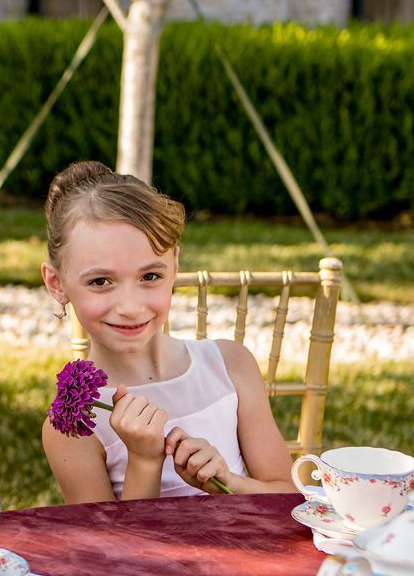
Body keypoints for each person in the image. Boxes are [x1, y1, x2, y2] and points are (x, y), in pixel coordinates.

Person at [40, 161, 297, 502]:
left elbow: (289, 497)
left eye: (150, 276)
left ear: (174, 266)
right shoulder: (76, 424)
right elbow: (107, 549)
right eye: (101, 281)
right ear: (56, 284)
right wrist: (144, 461)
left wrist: (227, 482)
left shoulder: (231, 366)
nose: (130, 306)